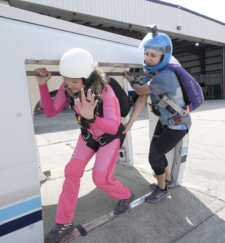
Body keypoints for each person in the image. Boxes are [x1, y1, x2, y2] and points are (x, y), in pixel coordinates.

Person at [35, 48, 134, 243]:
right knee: (71, 171)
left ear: (87, 79)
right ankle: (63, 223)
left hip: (110, 137)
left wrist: (92, 117)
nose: (69, 85)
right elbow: (51, 111)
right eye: (66, 80)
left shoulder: (106, 91)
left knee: (100, 179)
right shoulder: (67, 88)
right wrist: (42, 86)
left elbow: (114, 125)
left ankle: (126, 194)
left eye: (74, 81)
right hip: (88, 135)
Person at [123, 26, 191, 203]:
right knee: (156, 154)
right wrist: (130, 122)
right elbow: (141, 98)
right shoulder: (153, 72)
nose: (148, 58)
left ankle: (162, 189)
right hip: (166, 121)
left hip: (178, 125)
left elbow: (139, 89)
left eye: (153, 55)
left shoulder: (164, 77)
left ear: (164, 55)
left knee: (154, 156)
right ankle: (166, 180)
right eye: (146, 54)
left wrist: (130, 79)